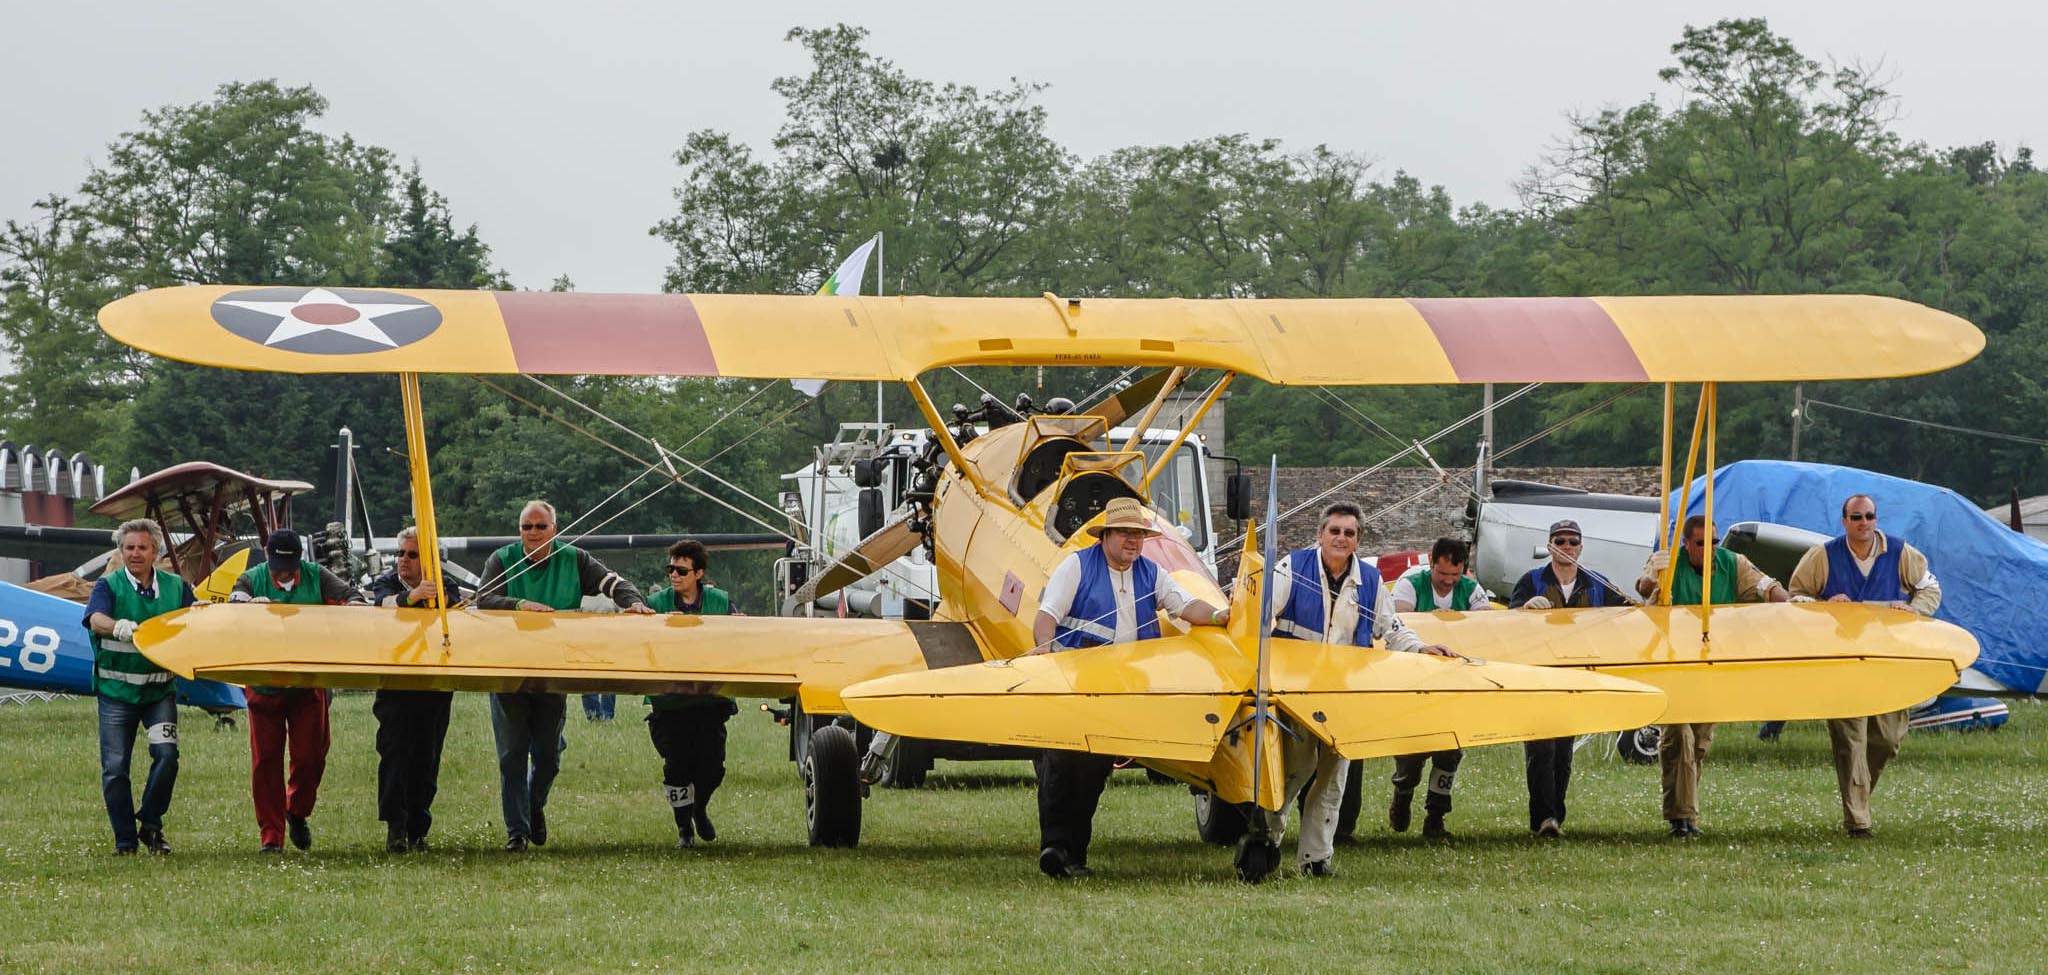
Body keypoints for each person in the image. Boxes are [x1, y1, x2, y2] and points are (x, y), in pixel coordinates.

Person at [1030, 496, 1227, 880]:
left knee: (1092, 773)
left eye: (1138, 534)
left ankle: (1073, 854)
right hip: (1075, 685)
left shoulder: (1151, 574)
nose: (1132, 541)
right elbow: (1046, 617)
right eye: (1124, 533)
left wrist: (1221, 615)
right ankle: (1055, 848)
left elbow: (1187, 608)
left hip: (1122, 693)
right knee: (1060, 766)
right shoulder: (1075, 566)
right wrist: (1045, 662)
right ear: (1105, 536)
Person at [1266, 503, 1456, 878]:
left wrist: (1421, 649)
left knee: (1335, 778)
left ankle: (1316, 860)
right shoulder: (1290, 567)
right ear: (1320, 535)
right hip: (1296, 692)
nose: (1341, 538)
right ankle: (1267, 842)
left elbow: (1393, 627)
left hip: (1344, 695)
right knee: (1293, 773)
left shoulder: (1370, 581)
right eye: (1334, 531)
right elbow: (1260, 618)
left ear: (1357, 540)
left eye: (1349, 533)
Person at [474, 500, 654, 851]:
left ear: (554, 530)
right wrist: (519, 605)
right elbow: (483, 599)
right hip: (508, 670)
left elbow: (612, 582)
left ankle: (534, 805)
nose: (533, 533)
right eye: (527, 527)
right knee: (511, 754)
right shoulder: (502, 559)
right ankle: (517, 833)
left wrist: (631, 602)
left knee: (547, 755)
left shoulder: (574, 558)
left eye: (541, 527)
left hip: (553, 672)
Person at [1786, 493, 1941, 838]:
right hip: (1842, 663)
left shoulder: (1902, 553)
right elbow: (1795, 596)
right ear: (1844, 521)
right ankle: (1858, 821)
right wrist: (1825, 604)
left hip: (1889, 660)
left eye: (1869, 516)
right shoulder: (1822, 556)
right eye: (1856, 517)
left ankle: (1860, 793)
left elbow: (1931, 588)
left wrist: (1914, 611)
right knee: (1850, 741)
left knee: (1887, 740)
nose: (1864, 523)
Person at [1636, 514, 1790, 838]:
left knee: (1700, 743)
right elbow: (1644, 589)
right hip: (1674, 663)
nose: (1709, 549)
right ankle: (1682, 818)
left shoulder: (1734, 563)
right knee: (1679, 737)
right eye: (1701, 544)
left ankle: (1684, 815)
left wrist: (1792, 606)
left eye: (1714, 543)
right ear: (1687, 543)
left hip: (1713, 664)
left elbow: (1767, 587)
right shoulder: (1668, 562)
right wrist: (1653, 574)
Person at [229, 529, 365, 852]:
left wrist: (346, 613)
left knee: (311, 758)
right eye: (277, 566)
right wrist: (248, 607)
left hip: (307, 685)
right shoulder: (249, 580)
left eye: (290, 566)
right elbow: (233, 607)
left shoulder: (319, 577)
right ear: (266, 555)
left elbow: (354, 599)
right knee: (266, 764)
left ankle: (297, 811)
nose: (284, 573)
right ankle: (271, 837)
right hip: (264, 686)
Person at [82, 519, 196, 855]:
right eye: (129, 548)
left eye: (142, 547)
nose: (135, 553)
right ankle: (125, 842)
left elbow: (196, 617)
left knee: (167, 756)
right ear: (121, 551)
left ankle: (150, 823)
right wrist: (117, 627)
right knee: (115, 769)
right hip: (116, 695)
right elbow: (94, 619)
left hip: (159, 692)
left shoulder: (177, 587)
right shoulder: (109, 586)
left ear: (155, 552)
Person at [1508, 519, 1622, 838]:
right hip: (1538, 676)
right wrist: (1526, 609)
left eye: (1573, 542)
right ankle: (1544, 818)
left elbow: (1628, 614)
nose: (1567, 547)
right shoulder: (1530, 581)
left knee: (1563, 752)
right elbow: (1506, 623)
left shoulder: (1598, 584)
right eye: (1560, 542)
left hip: (1578, 678)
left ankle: (1555, 814)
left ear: (1581, 547)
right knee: (1540, 748)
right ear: (1550, 547)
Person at [366, 526, 466, 853]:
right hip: (395, 684)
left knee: (427, 758)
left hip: (434, 684)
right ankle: (395, 826)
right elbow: (382, 603)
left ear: (429, 561)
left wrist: (434, 595)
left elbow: (454, 602)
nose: (403, 561)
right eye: (400, 554)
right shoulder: (386, 582)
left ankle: (418, 828)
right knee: (394, 754)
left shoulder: (445, 585)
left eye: (412, 555)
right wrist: (412, 597)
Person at [1385, 537, 1493, 839]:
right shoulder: (1409, 583)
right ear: (1431, 562)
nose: (1447, 583)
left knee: (1450, 753)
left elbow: (1487, 626)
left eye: (1454, 577)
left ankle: (1436, 815)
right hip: (1414, 684)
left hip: (1454, 687)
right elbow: (1401, 619)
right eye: (1442, 575)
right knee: (1411, 753)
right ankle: (1403, 793)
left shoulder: (1472, 590)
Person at [642, 539, 740, 848]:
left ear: (698, 573)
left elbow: (740, 635)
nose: (673, 574)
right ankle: (684, 829)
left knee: (713, 768)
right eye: (670, 568)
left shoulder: (721, 603)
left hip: (710, 701)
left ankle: (700, 808)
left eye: (681, 570)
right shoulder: (655, 603)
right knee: (677, 766)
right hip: (669, 702)